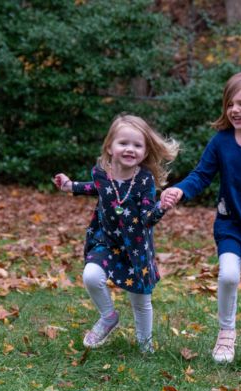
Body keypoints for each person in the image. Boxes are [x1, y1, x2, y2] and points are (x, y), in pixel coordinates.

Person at [161, 71, 241, 363]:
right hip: (230, 222)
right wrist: (180, 190)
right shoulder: (221, 142)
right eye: (230, 103)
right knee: (229, 275)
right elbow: (201, 174)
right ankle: (225, 335)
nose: (235, 109)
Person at [54, 114, 178, 353]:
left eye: (137, 145)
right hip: (106, 242)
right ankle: (108, 316)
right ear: (110, 147)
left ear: (145, 151)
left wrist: (160, 207)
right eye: (123, 143)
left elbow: (146, 219)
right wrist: (70, 186)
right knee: (91, 276)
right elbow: (96, 189)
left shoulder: (144, 181)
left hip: (136, 248)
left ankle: (145, 346)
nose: (130, 149)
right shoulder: (102, 173)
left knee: (140, 300)